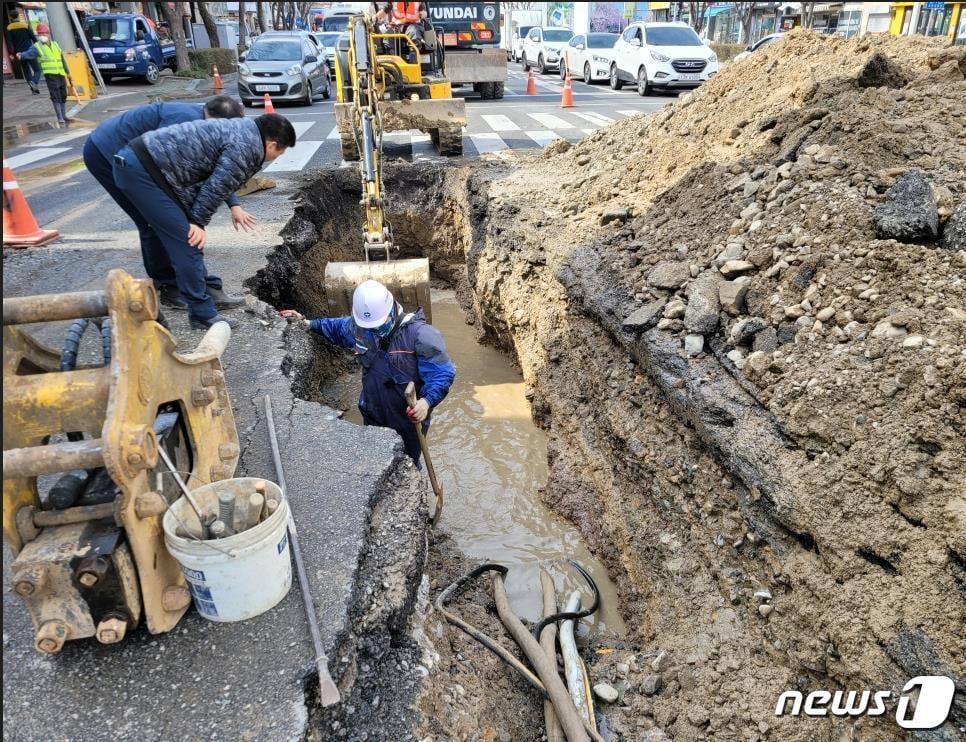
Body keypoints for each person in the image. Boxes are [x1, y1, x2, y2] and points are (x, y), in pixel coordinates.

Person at [112, 113, 297, 329]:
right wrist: (197, 222)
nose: (278, 156)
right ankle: (202, 314)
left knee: (174, 234)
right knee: (188, 241)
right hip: (144, 173)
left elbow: (215, 173)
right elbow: (216, 185)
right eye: (280, 152)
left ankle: (209, 290)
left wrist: (231, 206)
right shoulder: (248, 147)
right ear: (272, 144)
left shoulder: (245, 130)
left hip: (148, 168)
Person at [84, 96, 255, 311]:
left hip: (138, 158)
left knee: (178, 220)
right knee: (152, 220)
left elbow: (216, 168)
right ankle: (169, 287)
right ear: (216, 119)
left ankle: (202, 285)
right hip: (106, 153)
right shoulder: (182, 123)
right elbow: (163, 168)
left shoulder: (209, 126)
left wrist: (234, 204)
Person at [282, 280, 455, 464]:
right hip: (373, 412)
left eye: (378, 325)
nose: (375, 330)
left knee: (406, 466)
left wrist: (426, 402)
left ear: (392, 310)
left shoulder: (422, 335)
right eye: (370, 326)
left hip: (408, 420)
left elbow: (442, 373)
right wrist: (308, 323)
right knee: (376, 461)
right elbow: (336, 328)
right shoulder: (361, 329)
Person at [16, 23, 71, 126]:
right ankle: (60, 117)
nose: (42, 36)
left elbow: (62, 59)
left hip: (60, 74)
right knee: (56, 96)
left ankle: (64, 115)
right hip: (50, 75)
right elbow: (29, 53)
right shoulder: (37, 46)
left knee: (63, 95)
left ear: (48, 33)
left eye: (43, 33)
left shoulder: (55, 44)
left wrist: (68, 72)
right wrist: (21, 55)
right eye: (40, 34)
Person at [6, 10, 40, 94]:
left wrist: (11, 54)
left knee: (26, 71)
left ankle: (33, 90)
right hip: (30, 51)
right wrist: (39, 49)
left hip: (19, 53)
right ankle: (34, 82)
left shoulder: (9, 27)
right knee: (37, 70)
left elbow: (9, 42)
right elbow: (34, 39)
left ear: (10, 17)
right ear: (18, 16)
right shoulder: (25, 25)